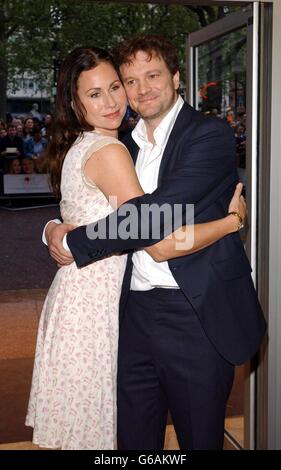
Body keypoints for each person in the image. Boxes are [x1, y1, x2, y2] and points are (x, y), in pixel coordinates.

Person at [40, 42, 251, 451]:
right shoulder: (122, 143)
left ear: (175, 78)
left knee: (198, 440)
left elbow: (152, 223)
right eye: (130, 81)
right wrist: (51, 228)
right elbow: (96, 210)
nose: (140, 90)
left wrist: (74, 241)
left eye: (152, 76)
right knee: (133, 441)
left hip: (194, 313)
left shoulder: (208, 134)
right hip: (130, 314)